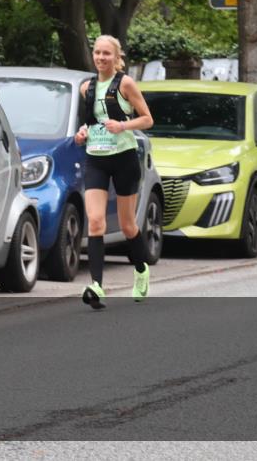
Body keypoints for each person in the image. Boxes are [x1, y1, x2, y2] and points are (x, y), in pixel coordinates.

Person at [74, 35, 154, 309]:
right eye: (97, 52)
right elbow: (90, 123)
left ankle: (141, 270)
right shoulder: (86, 88)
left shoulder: (126, 84)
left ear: (116, 57)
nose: (100, 57)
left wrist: (123, 126)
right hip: (96, 158)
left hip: (124, 159)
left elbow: (148, 119)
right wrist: (82, 133)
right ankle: (97, 286)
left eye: (106, 53)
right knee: (95, 222)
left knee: (128, 225)